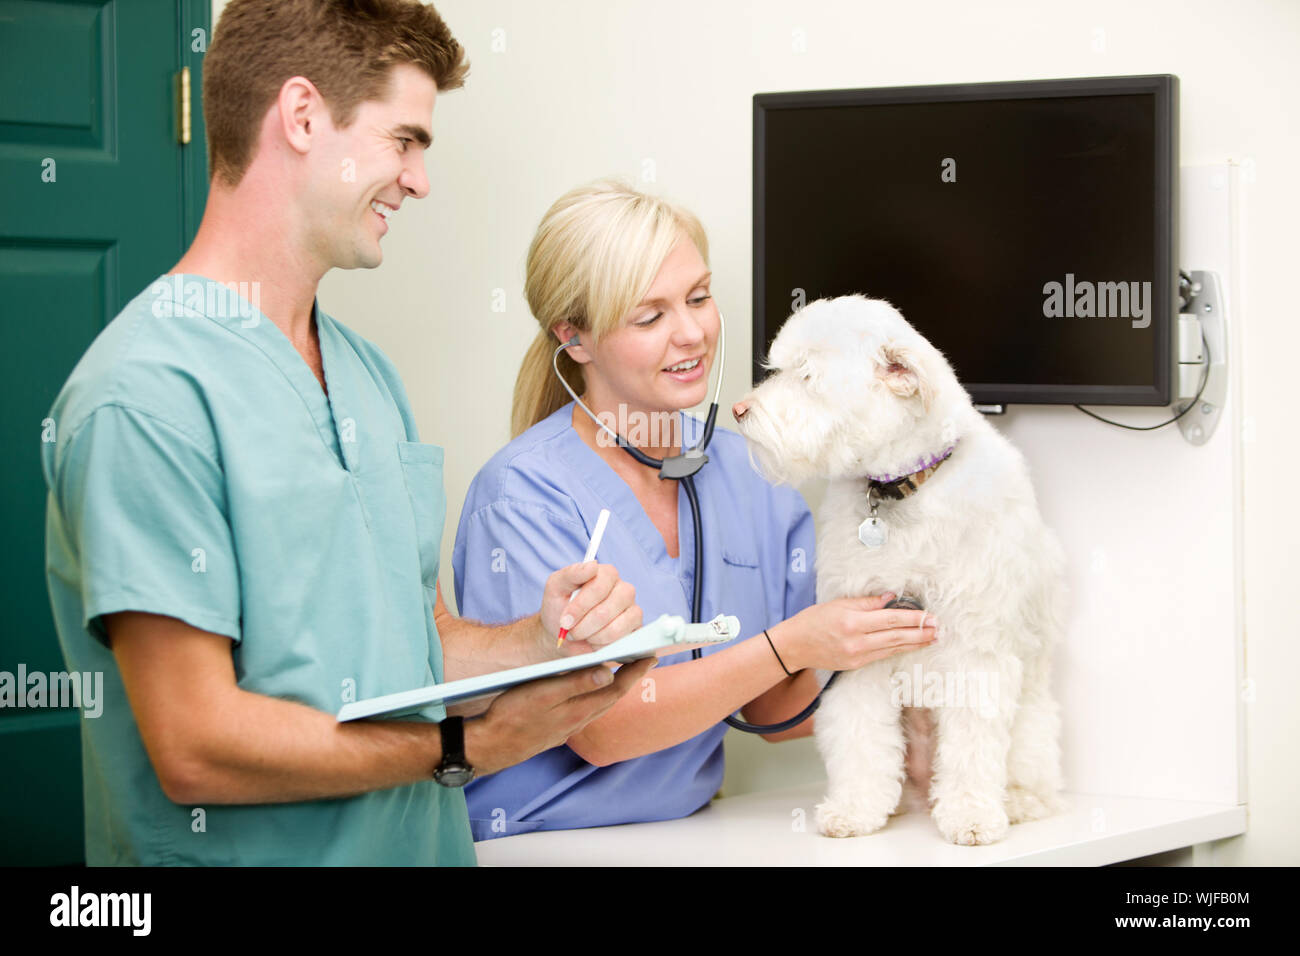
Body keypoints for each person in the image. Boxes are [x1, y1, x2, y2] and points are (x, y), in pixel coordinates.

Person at [40, 0, 653, 866]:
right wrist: (467, 748)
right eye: (404, 140)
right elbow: (196, 745)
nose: (419, 180)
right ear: (301, 116)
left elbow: (416, 641)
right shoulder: (143, 398)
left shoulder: (368, 376)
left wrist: (543, 640)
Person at [452, 180, 938, 840]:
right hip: (539, 843)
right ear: (575, 338)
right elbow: (600, 729)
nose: (691, 334)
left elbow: (771, 708)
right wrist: (795, 642)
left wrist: (899, 663)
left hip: (689, 835)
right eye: (649, 317)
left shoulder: (752, 472)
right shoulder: (523, 496)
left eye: (699, 298)